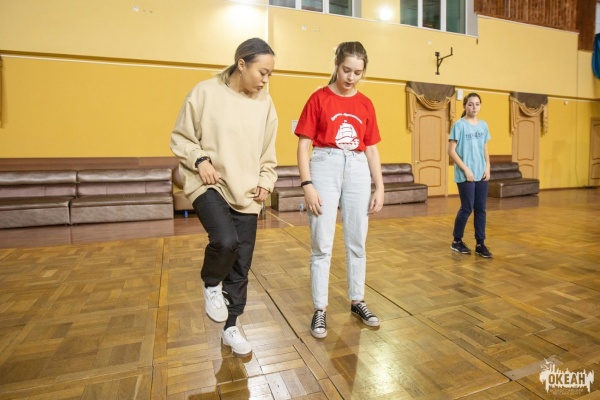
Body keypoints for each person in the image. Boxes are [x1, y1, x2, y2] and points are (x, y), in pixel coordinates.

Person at [170, 38, 278, 357]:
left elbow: (268, 150)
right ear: (241, 64)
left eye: (270, 74)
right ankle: (211, 282)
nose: (265, 80)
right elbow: (181, 137)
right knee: (225, 241)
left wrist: (266, 180)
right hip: (208, 181)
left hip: (247, 189)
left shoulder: (265, 103)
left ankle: (231, 327)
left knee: (241, 263)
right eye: (262, 72)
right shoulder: (205, 92)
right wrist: (200, 160)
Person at [295, 41, 384, 339]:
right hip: (325, 163)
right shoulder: (318, 98)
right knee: (322, 243)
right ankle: (319, 308)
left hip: (358, 167)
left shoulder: (366, 104)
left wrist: (379, 186)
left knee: (357, 240)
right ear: (336, 65)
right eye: (347, 70)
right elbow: (303, 146)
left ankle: (357, 301)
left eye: (358, 72)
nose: (351, 77)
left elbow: (371, 149)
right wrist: (307, 184)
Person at [448, 92, 493, 259]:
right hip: (465, 174)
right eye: (470, 104)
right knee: (467, 208)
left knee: (481, 208)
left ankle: (480, 244)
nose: (474, 107)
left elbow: (485, 147)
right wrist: (466, 169)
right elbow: (451, 151)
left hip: (481, 172)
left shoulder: (484, 125)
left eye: (477, 104)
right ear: (465, 106)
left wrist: (488, 166)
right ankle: (456, 241)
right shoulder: (459, 125)